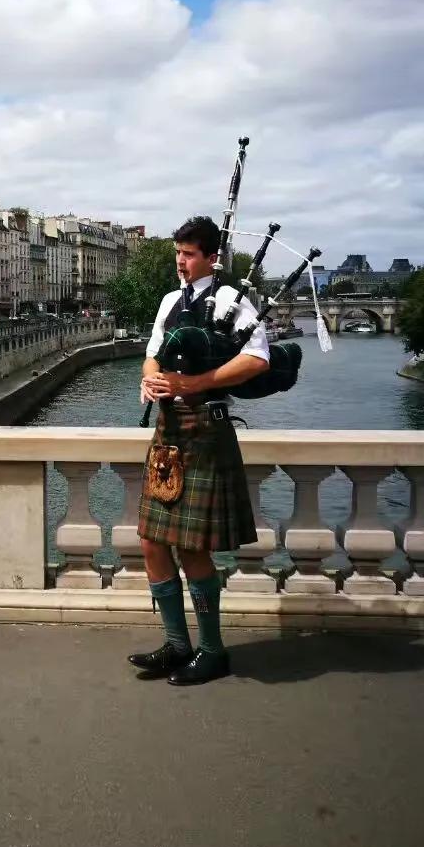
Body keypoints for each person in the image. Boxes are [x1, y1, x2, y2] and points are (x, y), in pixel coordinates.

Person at [130, 216, 270, 687]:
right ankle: (176, 643)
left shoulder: (232, 301)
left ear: (213, 257)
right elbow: (153, 351)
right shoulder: (171, 302)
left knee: (191, 547)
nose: (181, 264)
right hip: (169, 430)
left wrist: (197, 382)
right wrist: (150, 377)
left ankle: (212, 651)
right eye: (177, 254)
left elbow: (257, 359)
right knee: (151, 538)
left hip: (206, 431)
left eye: (188, 255)